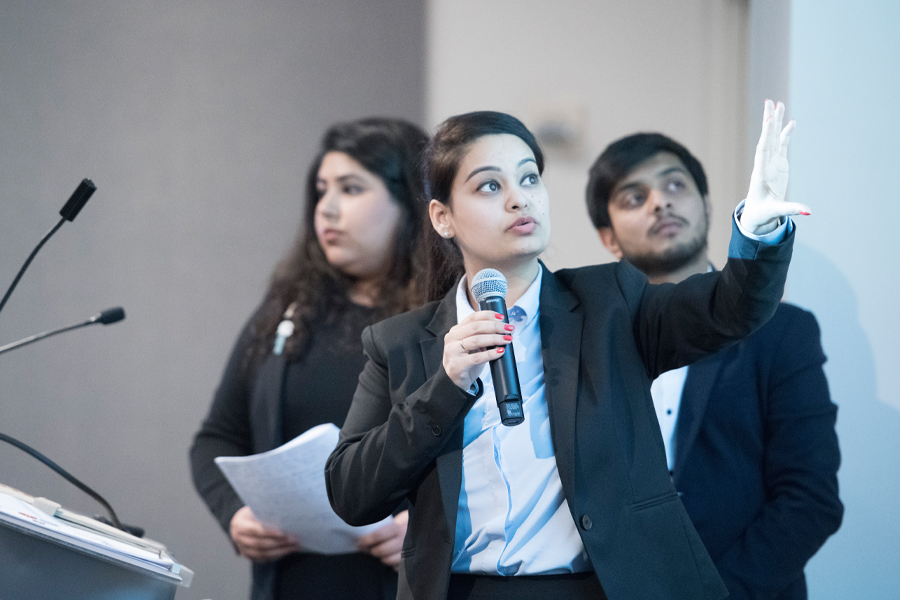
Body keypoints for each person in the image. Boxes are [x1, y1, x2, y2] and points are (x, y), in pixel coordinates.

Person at [325, 100, 807, 600]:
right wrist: (444, 387)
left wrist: (759, 231)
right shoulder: (400, 343)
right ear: (443, 217)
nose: (520, 200)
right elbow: (351, 494)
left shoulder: (611, 304)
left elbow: (730, 309)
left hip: (593, 588)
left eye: (529, 178)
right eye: (491, 186)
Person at [585, 130, 842, 600]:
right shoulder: (588, 342)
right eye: (634, 196)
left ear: (706, 204)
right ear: (608, 237)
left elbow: (811, 499)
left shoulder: (782, 333)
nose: (660, 203)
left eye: (675, 185)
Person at [190, 117, 429, 600]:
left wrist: (428, 526)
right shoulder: (288, 311)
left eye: (351, 188)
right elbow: (217, 437)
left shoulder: (446, 318)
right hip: (293, 582)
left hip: (403, 583)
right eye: (322, 190)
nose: (328, 208)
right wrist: (235, 513)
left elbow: (498, 466)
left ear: (410, 204)